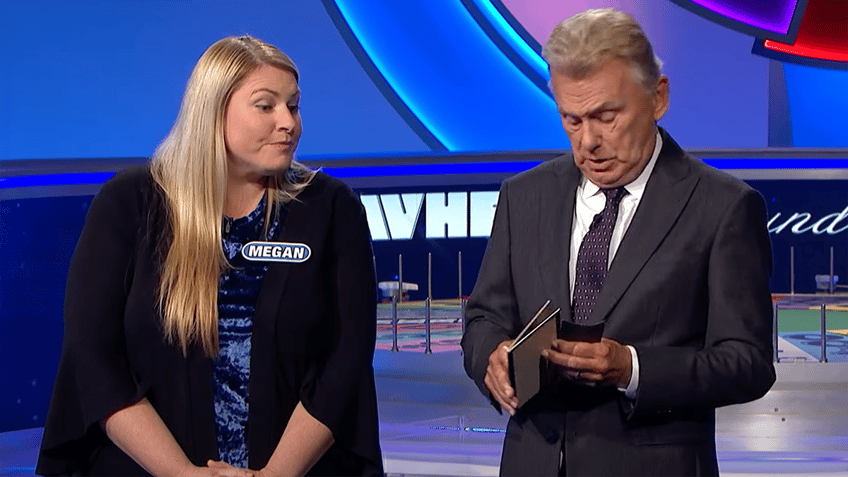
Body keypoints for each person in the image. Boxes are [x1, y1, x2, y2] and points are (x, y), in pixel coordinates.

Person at [36, 36, 383, 476]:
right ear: (212, 111)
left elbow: (345, 360)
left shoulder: (331, 208)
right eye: (266, 106)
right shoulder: (130, 202)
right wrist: (181, 473)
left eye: (293, 106)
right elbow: (93, 356)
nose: (289, 123)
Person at [461, 8, 775, 476]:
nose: (588, 141)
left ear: (658, 97)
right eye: (571, 120)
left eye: (606, 116)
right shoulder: (523, 197)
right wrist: (491, 355)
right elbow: (484, 317)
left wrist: (632, 368)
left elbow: (748, 363)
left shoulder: (723, 207)